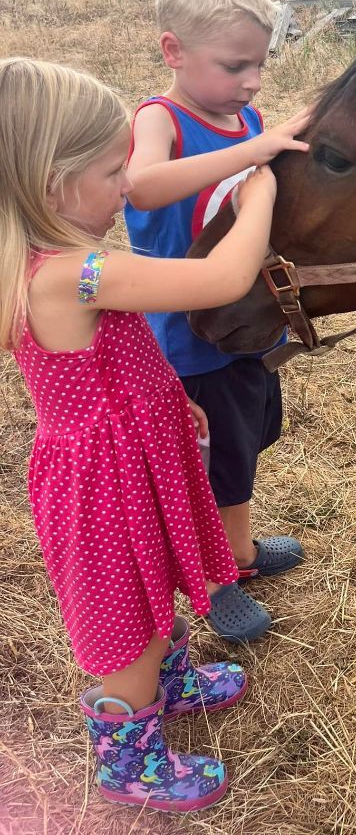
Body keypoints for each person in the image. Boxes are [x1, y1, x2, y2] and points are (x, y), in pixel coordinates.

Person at [0, 57, 302, 812]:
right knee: (126, 620)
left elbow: (119, 358)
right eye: (112, 172)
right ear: (51, 185)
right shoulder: (72, 274)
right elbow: (220, 280)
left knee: (148, 576)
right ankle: (127, 757)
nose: (128, 185)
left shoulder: (49, 266)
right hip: (105, 475)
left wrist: (170, 401)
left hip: (129, 451)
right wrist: (257, 185)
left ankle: (168, 682)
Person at [125, 0, 310, 642]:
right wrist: (252, 150)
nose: (252, 81)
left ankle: (239, 553)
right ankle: (212, 582)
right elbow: (142, 188)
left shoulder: (249, 117)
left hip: (247, 324)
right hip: (187, 336)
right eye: (233, 65)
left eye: (258, 64)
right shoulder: (161, 119)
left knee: (243, 445)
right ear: (173, 50)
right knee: (199, 465)